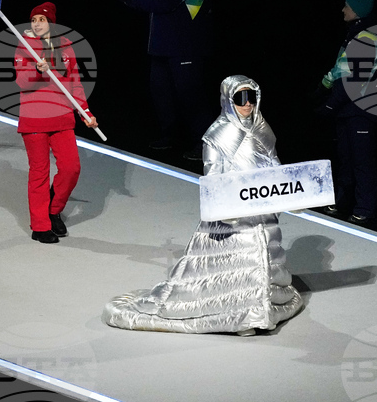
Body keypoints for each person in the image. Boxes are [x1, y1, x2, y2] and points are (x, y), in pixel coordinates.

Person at [102, 75, 303, 334]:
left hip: (261, 207)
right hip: (232, 212)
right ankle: (241, 319)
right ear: (229, 100)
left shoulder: (263, 128)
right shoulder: (217, 135)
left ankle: (259, 311)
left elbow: (274, 165)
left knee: (260, 260)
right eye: (241, 98)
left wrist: (290, 194)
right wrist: (224, 208)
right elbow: (212, 175)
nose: (248, 104)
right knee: (235, 265)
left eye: (252, 97)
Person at [103, 0, 213, 161]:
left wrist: (132, 1)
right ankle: (169, 137)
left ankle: (205, 144)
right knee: (161, 92)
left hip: (185, 42)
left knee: (190, 96)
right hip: (164, 42)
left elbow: (166, 0)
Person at [14, 2, 98, 244]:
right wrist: (38, 71)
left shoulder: (66, 47)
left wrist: (85, 112)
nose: (37, 24)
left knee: (71, 168)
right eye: (34, 20)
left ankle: (53, 209)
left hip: (61, 117)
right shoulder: (24, 48)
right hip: (34, 118)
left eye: (42, 20)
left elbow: (74, 84)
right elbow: (22, 83)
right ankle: (40, 226)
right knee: (40, 172)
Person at [317, 0, 377, 224]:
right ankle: (342, 200)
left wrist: (329, 105)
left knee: (361, 161)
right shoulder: (355, 34)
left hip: (360, 112)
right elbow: (341, 69)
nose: (342, 10)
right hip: (347, 110)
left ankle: (364, 208)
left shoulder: (366, 38)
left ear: (357, 10)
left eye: (346, 6)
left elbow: (354, 82)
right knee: (346, 158)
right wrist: (325, 87)